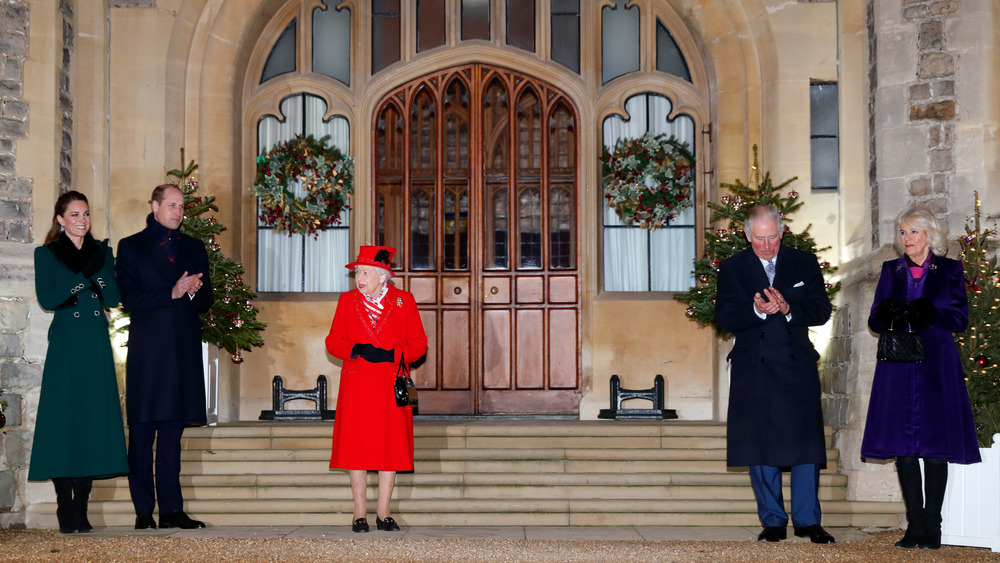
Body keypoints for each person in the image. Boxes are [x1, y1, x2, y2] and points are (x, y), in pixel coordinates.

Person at [714, 204, 835, 544]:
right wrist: (756, 310)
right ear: (747, 236)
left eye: (773, 238)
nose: (767, 246)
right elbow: (724, 317)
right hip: (754, 366)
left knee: (806, 445)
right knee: (759, 443)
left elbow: (821, 311)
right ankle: (772, 521)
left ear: (782, 232)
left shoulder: (804, 263)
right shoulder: (732, 268)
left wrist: (787, 309)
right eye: (760, 239)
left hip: (796, 364)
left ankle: (808, 520)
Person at [861, 206, 980, 550]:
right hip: (898, 365)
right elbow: (874, 321)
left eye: (913, 231)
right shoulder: (890, 270)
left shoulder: (950, 270)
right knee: (905, 448)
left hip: (936, 365)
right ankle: (914, 525)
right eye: (902, 232)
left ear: (929, 234)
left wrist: (929, 312)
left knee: (934, 446)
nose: (906, 238)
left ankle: (934, 524)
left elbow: (959, 319)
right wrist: (889, 314)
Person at [28, 191, 129, 534]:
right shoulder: (47, 253)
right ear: (60, 219)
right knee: (63, 424)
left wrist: (97, 276)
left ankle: (82, 506)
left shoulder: (103, 253)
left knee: (90, 423)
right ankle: (64, 505)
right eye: (74, 214)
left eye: (85, 213)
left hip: (97, 344)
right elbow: (48, 298)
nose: (82, 220)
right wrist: (81, 279)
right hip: (67, 345)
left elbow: (114, 298)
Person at [116, 183, 213, 530]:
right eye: (171, 205)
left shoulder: (193, 247)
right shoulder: (130, 247)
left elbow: (206, 301)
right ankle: (144, 510)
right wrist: (171, 291)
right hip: (148, 352)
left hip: (181, 351)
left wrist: (194, 292)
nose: (177, 211)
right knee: (142, 435)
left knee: (172, 436)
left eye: (181, 206)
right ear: (155, 205)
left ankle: (172, 509)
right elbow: (128, 297)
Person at [325, 246, 428, 533]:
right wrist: (356, 348)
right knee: (356, 447)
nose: (359, 278)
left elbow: (419, 344)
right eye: (357, 272)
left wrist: (392, 354)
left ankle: (384, 513)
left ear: (383, 276)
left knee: (390, 447)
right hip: (357, 384)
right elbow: (332, 341)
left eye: (365, 272)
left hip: (391, 383)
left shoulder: (403, 301)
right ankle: (359, 513)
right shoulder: (347, 301)